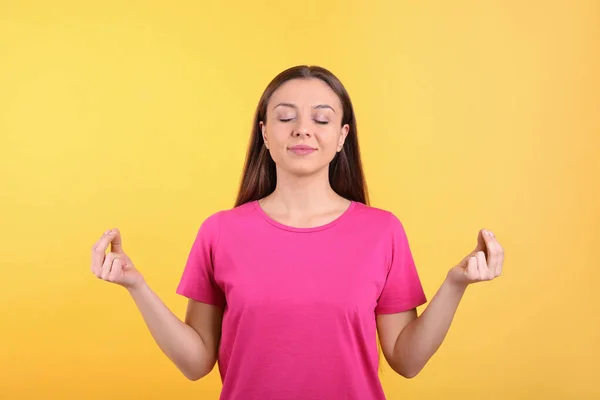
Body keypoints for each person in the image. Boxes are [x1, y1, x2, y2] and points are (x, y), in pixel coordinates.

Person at [90, 65, 504, 400]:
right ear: (265, 133)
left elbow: (406, 360)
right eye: (286, 117)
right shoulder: (220, 232)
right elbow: (196, 363)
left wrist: (456, 283)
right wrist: (136, 285)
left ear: (342, 136)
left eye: (321, 119)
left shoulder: (382, 231)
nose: (303, 129)